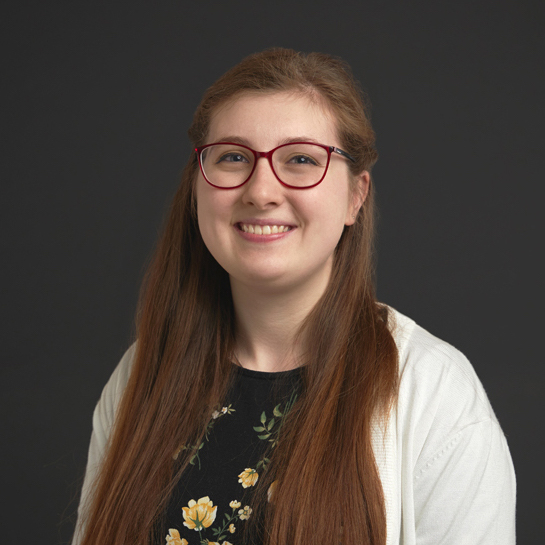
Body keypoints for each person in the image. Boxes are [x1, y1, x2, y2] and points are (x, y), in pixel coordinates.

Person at [72, 48, 516, 545]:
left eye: (301, 159)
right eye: (233, 157)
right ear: (199, 185)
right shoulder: (140, 375)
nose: (261, 190)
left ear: (355, 196)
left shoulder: (436, 394)